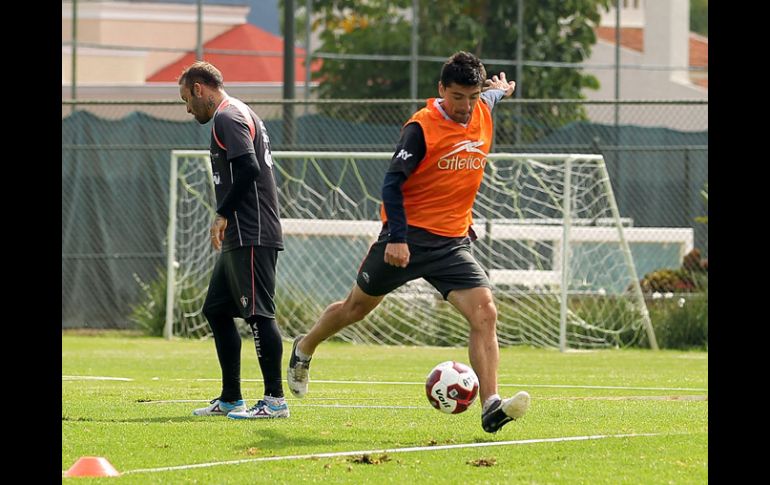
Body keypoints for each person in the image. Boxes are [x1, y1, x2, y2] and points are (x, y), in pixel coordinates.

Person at [286, 51, 530, 433]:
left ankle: (491, 405)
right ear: (440, 90)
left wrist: (498, 90)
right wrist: (397, 238)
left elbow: (489, 98)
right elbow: (391, 183)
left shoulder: (482, 105)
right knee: (355, 309)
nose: (465, 106)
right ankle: (305, 347)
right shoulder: (421, 128)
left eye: (472, 96)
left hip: (451, 244)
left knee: (485, 313)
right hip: (406, 239)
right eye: (456, 97)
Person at [178, 61, 288, 419]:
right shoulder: (238, 112)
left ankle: (274, 401)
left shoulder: (228, 116)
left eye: (186, 99)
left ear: (199, 89)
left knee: (258, 314)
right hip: (241, 234)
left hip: (251, 231)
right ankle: (230, 398)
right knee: (216, 309)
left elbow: (248, 168)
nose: (188, 108)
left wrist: (222, 212)